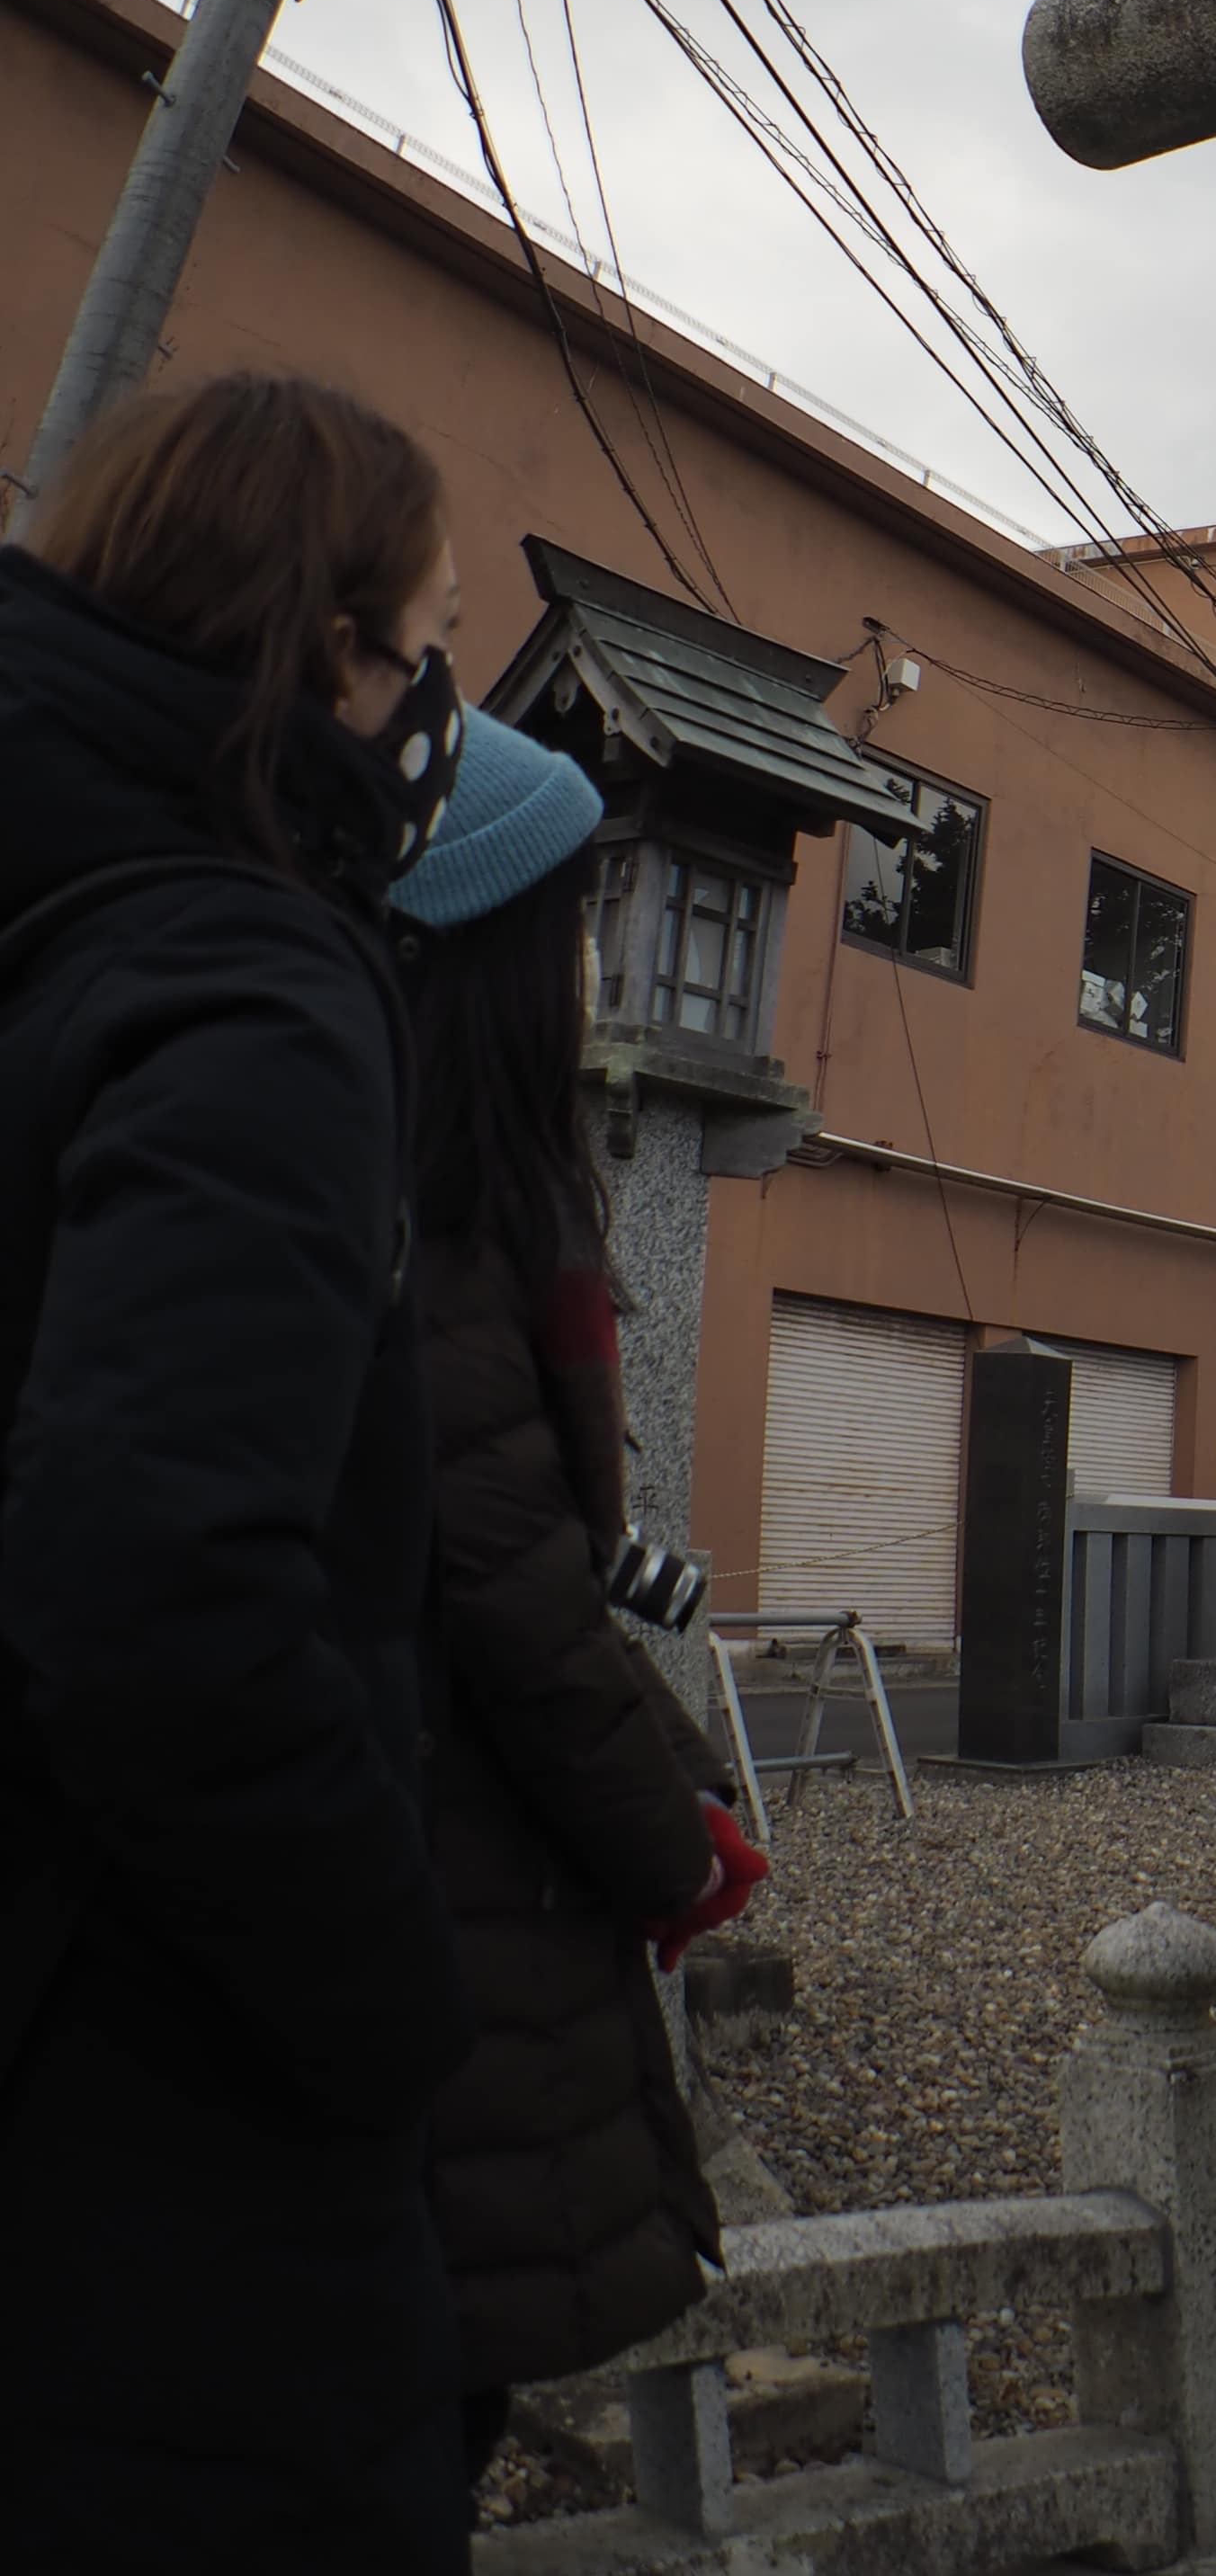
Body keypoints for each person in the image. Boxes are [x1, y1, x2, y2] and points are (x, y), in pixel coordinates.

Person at [0, 371, 481, 2569]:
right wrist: (386, 2000)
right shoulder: (248, 976)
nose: (423, 717)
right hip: (151, 2114)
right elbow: (163, 1589)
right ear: (326, 652)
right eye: (417, 655)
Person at [389, 711, 766, 2484]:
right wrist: (677, 1834)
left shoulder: (465, 1200)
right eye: (589, 903)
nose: (615, 951)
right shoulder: (445, 1226)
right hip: (445, 1919)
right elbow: (516, 1610)